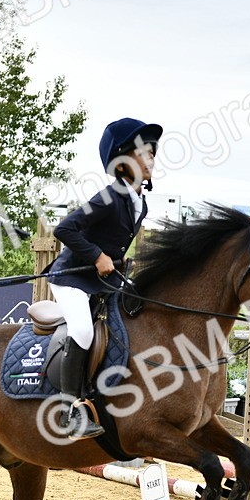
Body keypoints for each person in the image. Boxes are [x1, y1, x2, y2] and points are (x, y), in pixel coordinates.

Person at [48, 117, 162, 439]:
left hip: (104, 282)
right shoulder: (109, 196)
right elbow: (65, 229)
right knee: (83, 330)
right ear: (122, 163)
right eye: (143, 153)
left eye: (152, 153)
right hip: (72, 279)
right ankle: (68, 411)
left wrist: (120, 264)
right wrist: (97, 256)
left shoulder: (139, 202)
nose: (151, 159)